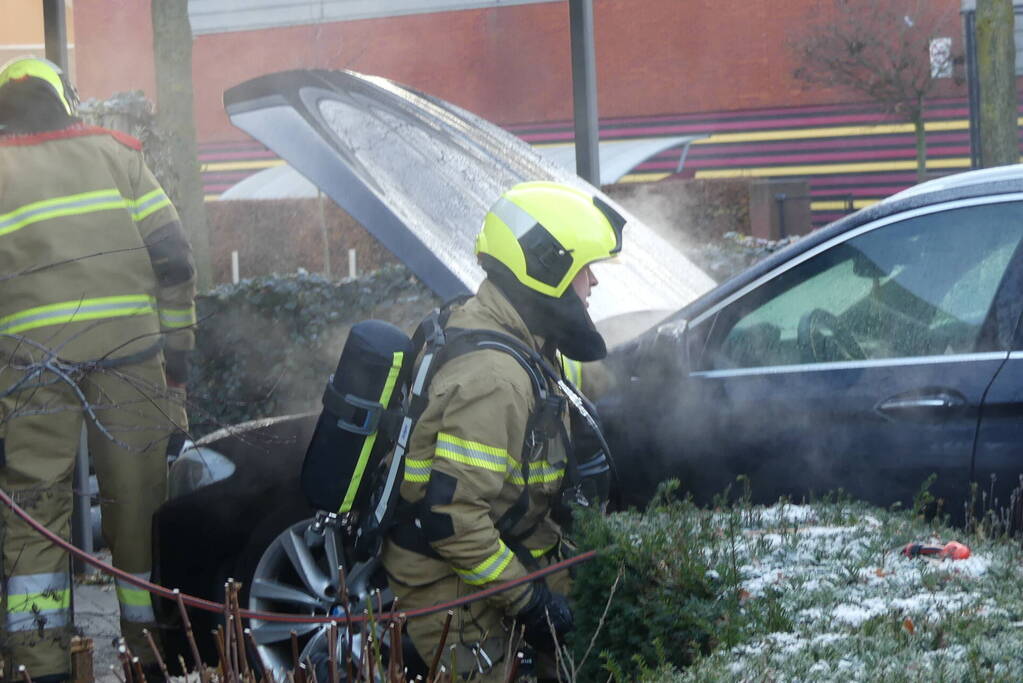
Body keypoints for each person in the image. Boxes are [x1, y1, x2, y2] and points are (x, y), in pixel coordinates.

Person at [0, 56, 195, 681]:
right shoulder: (118, 155)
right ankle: (148, 656)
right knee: (136, 508)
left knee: (34, 513)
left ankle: (40, 665)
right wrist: (177, 362)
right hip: (132, 358)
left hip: (30, 368)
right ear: (67, 101)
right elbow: (174, 260)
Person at [382, 181, 625, 681]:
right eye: (585, 268)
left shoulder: (517, 335)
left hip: (500, 557)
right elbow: (454, 517)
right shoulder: (493, 379)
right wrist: (531, 603)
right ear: (548, 268)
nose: (594, 283)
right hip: (454, 588)